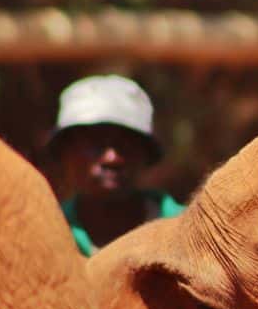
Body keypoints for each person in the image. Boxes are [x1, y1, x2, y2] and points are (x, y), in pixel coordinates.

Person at [48, 74, 184, 256]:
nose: (112, 158)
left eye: (126, 144)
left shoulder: (189, 233)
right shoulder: (46, 237)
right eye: (95, 143)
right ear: (65, 152)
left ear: (145, 154)